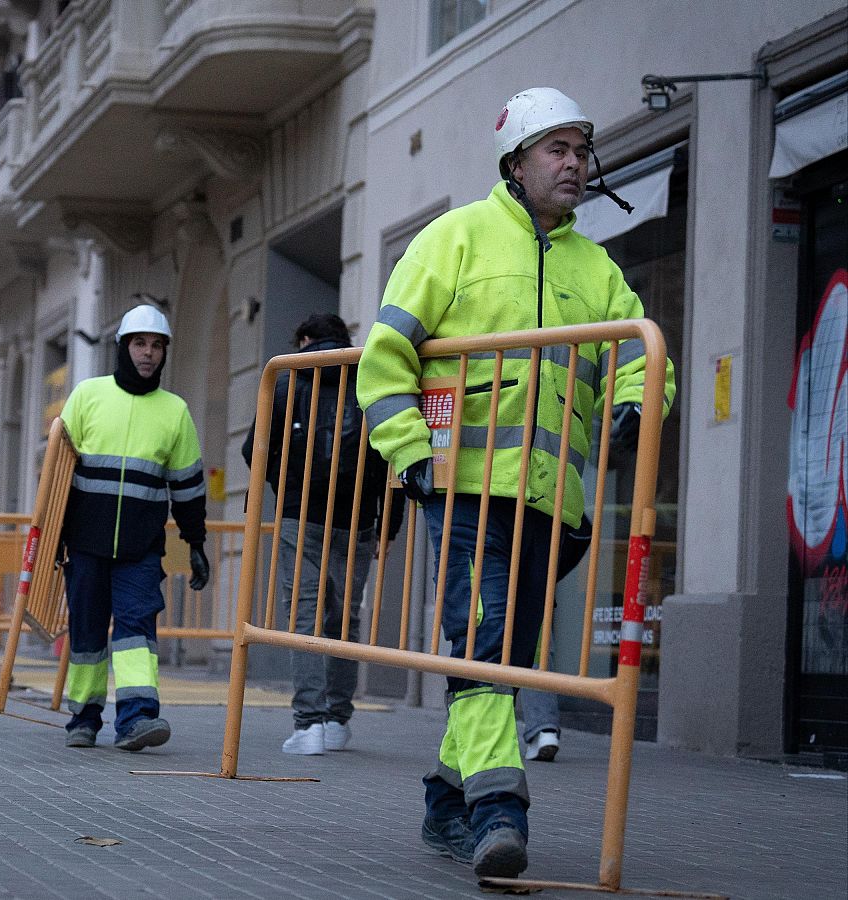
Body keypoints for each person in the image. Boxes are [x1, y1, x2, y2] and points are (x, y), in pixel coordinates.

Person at [355, 87, 676, 878]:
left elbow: (643, 355)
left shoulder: (595, 266)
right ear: (517, 162)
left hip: (551, 503)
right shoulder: (453, 239)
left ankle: (443, 801)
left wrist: (636, 404)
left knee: (501, 654)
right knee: (487, 645)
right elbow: (385, 356)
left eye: (580, 150)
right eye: (557, 150)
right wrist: (407, 450)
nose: (574, 164)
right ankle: (499, 811)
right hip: (461, 487)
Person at [241, 312, 401, 757]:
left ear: (306, 339)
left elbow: (252, 446)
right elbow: (392, 456)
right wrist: (389, 523)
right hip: (358, 519)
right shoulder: (370, 379)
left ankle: (308, 724)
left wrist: (283, 488)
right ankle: (337, 720)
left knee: (303, 618)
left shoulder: (287, 376)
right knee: (344, 619)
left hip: (301, 515)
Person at [59, 304, 210, 752]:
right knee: (87, 632)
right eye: (140, 343)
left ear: (164, 353)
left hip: (141, 547)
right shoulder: (87, 395)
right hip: (84, 542)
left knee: (135, 632)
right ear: (123, 347)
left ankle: (137, 720)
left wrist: (195, 542)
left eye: (157, 345)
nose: (148, 353)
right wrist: (48, 535)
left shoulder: (175, 412)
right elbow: (57, 472)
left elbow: (187, 486)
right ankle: (83, 719)